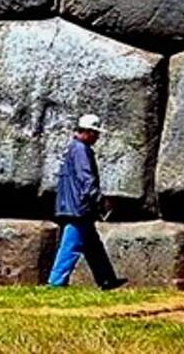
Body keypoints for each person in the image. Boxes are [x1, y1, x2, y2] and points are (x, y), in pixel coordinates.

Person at [47, 114, 127, 290]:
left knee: (93, 246)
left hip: (72, 204)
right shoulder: (81, 150)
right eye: (95, 133)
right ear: (87, 132)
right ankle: (56, 282)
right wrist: (99, 200)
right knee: (71, 244)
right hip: (78, 207)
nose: (97, 137)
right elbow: (86, 178)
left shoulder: (72, 148)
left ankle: (107, 279)